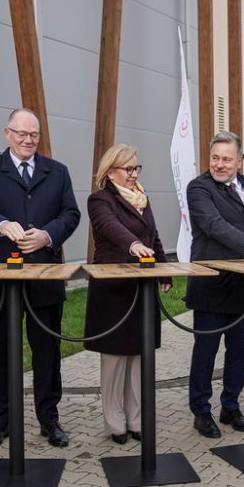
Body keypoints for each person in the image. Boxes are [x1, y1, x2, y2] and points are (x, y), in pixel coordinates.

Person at [0, 109, 80, 449]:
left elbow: (71, 213)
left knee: (47, 351)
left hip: (45, 276)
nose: (27, 140)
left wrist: (47, 236)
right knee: (1, 351)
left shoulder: (57, 172)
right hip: (2, 277)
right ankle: (0, 422)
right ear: (7, 133)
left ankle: (49, 419)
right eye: (21, 134)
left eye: (33, 135)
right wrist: (1, 225)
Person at [185, 131, 244, 438]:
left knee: (238, 351)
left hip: (243, 286)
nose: (220, 164)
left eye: (227, 159)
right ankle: (201, 411)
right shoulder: (198, 187)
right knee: (206, 352)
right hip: (211, 285)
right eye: (215, 158)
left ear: (240, 160)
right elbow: (214, 225)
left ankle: (231, 406)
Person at [84, 144, 171, 444]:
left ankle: (137, 419)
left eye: (137, 168)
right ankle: (115, 422)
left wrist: (164, 269)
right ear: (110, 171)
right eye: (128, 169)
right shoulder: (99, 200)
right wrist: (133, 245)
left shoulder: (143, 199)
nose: (134, 174)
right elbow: (110, 228)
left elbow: (154, 236)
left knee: (138, 357)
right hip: (113, 290)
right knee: (115, 360)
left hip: (142, 288)